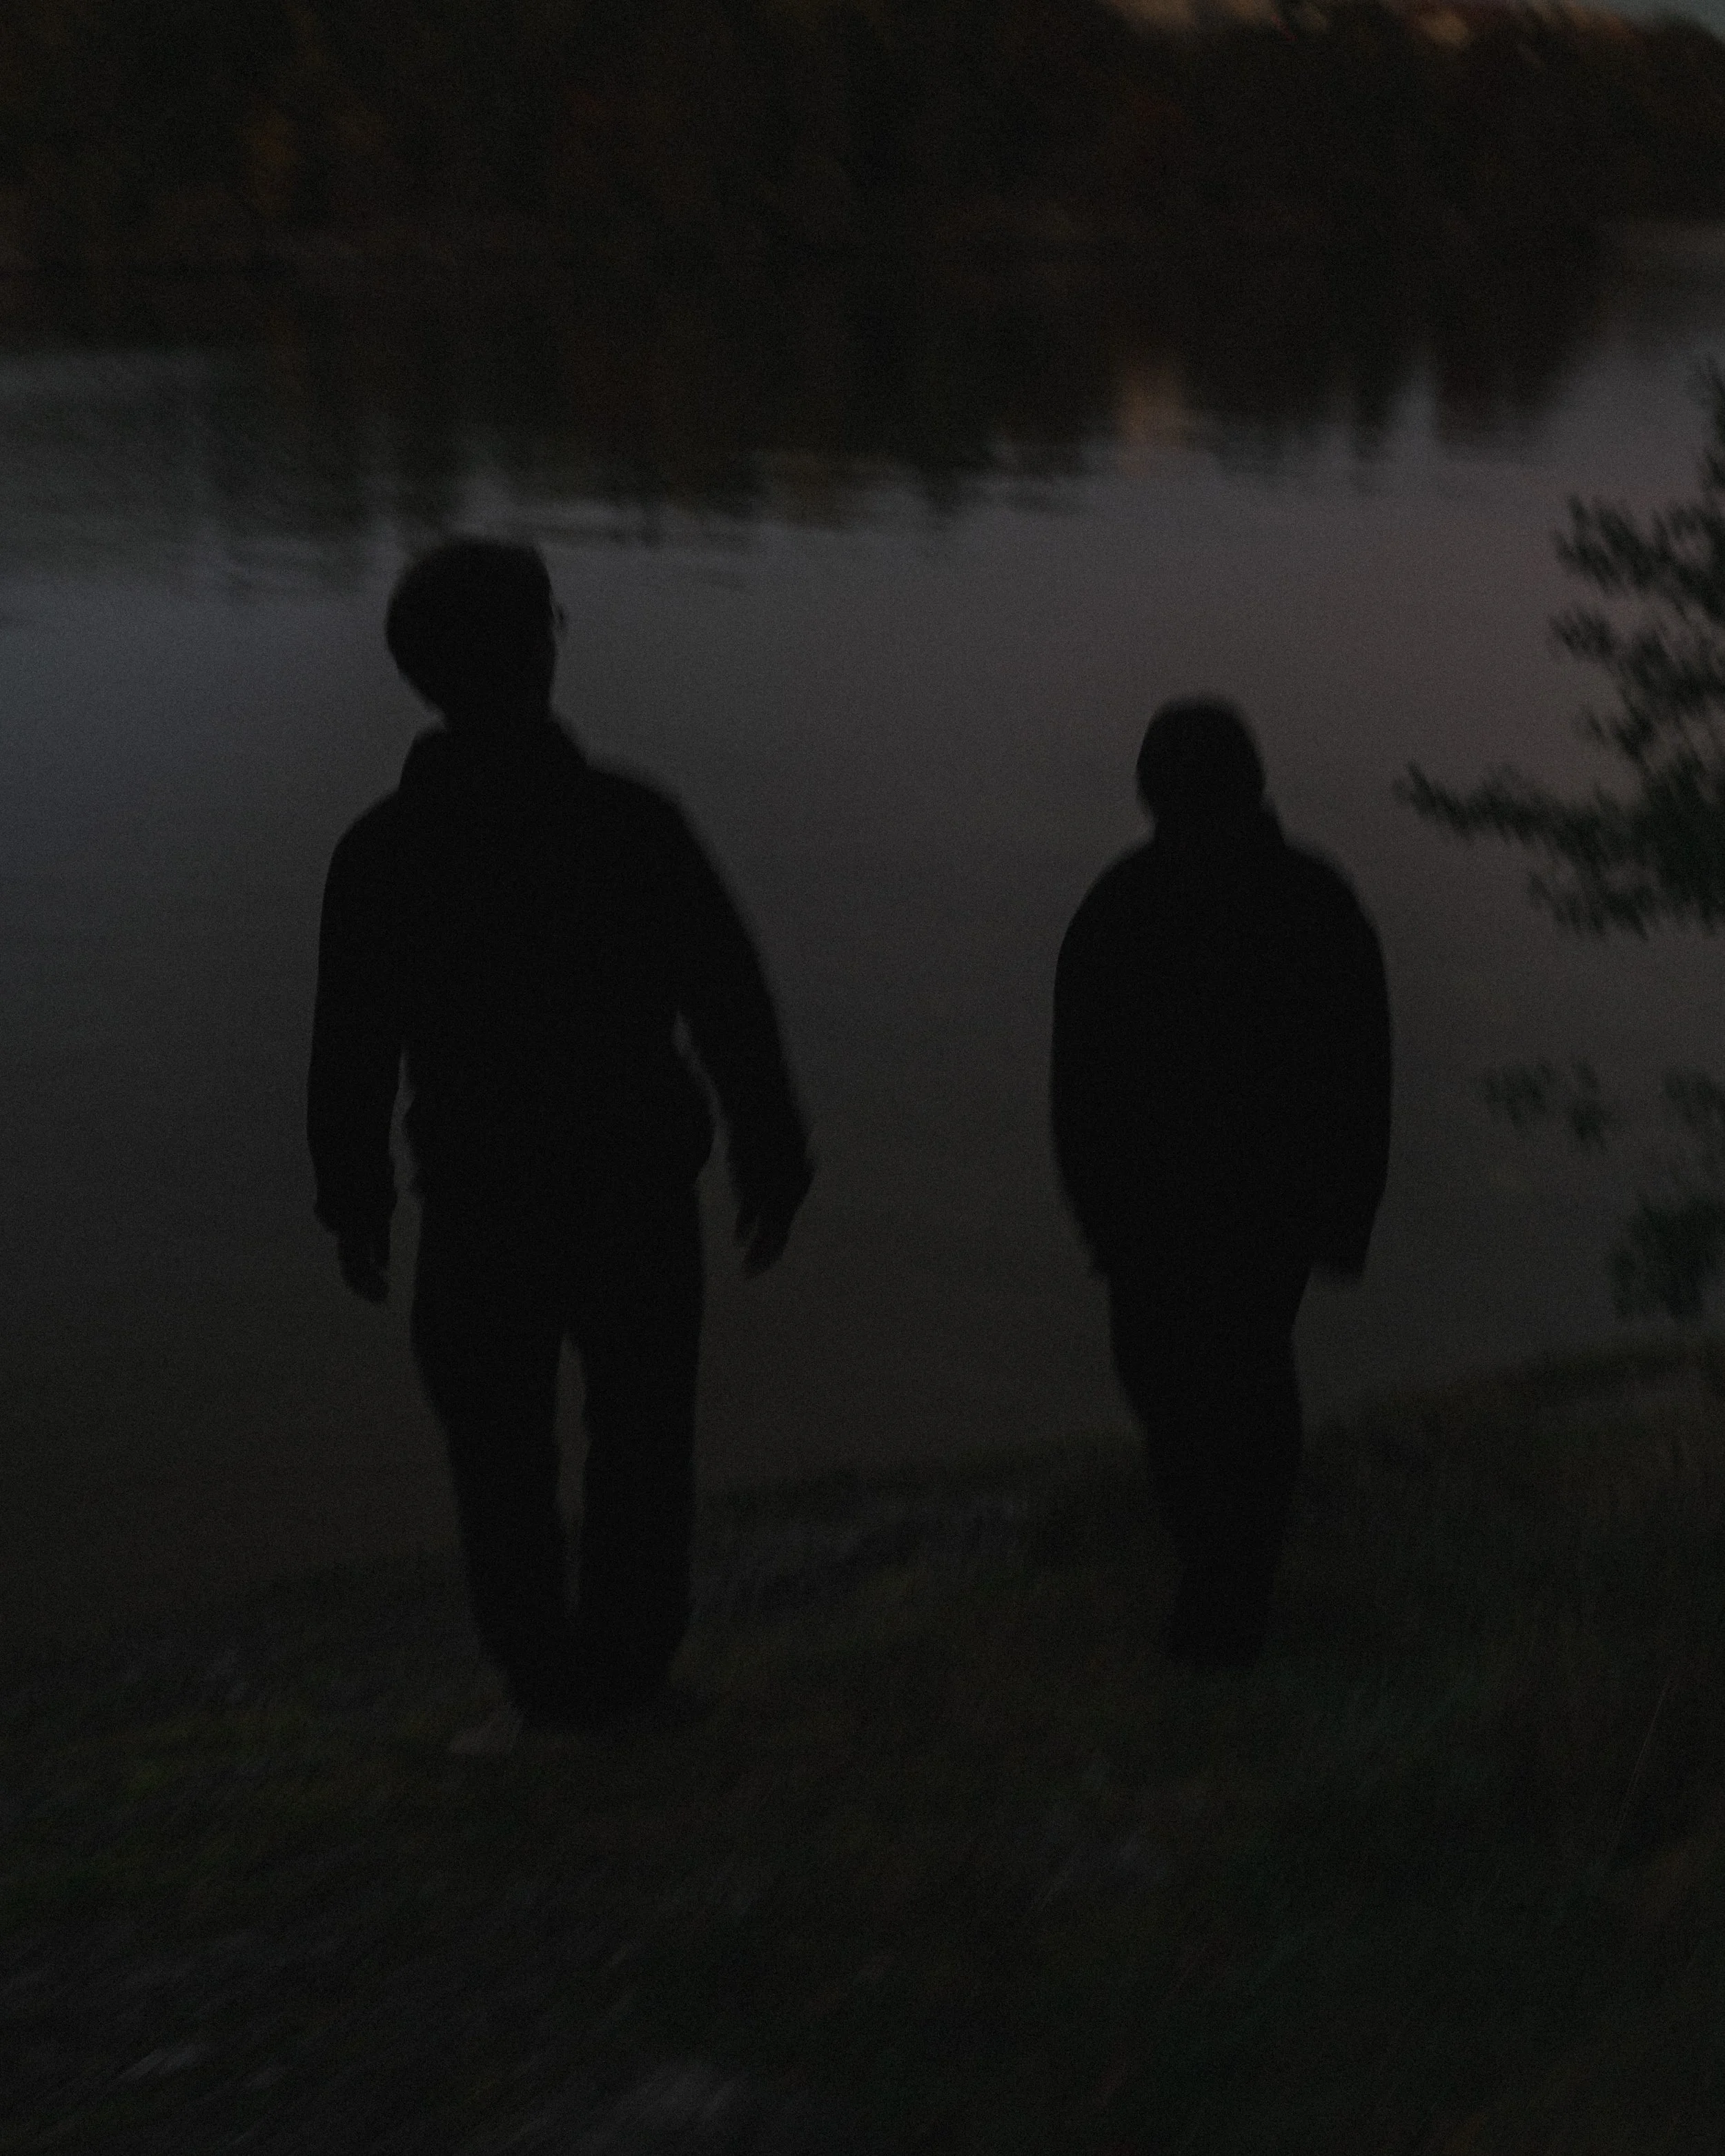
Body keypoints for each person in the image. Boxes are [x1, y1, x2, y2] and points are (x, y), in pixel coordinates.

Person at [308, 538, 813, 1752]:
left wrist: (355, 1191)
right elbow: (729, 998)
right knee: (643, 1442)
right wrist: (769, 1143)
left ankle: (548, 1692)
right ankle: (628, 1681)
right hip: (630, 1192)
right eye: (548, 620)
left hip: (478, 1205)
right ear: (534, 651)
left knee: (501, 1462)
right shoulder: (628, 819)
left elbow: (351, 1052)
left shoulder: (383, 851)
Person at [1051, 699, 1390, 1670]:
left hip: (1195, 1215)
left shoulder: (1126, 905)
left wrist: (1098, 1214)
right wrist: (1344, 1213)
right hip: (1230, 1214)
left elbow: (1076, 1091)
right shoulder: (1312, 901)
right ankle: (1228, 1575)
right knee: (1226, 1383)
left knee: (1202, 1384)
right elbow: (1366, 1072)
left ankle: (1222, 1592)